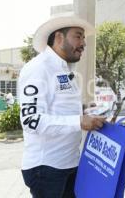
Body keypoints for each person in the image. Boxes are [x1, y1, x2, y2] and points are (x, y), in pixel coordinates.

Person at [18, 12, 106, 198]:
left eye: (83, 37)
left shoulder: (64, 68)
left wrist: (84, 109)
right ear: (59, 37)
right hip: (47, 169)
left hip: (69, 164)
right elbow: (31, 120)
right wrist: (80, 122)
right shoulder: (38, 69)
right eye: (78, 36)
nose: (83, 43)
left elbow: (58, 107)